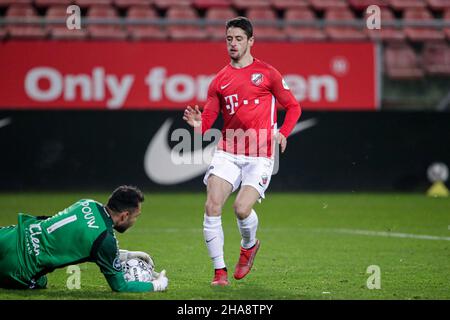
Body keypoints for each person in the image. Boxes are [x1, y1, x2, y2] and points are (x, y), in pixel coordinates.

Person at [183, 17, 301, 286]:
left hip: (260, 154)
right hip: (228, 151)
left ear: (250, 41)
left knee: (240, 208)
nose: (233, 44)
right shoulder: (219, 81)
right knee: (212, 205)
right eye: (229, 39)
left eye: (238, 39)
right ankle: (219, 272)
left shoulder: (268, 73)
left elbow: (293, 107)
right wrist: (199, 125)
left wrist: (283, 133)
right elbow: (208, 121)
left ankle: (249, 246)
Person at [0, 185, 168, 292]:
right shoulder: (104, 239)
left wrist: (128, 255)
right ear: (124, 216)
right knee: (41, 282)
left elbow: (78, 240)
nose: (135, 221)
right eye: (135, 216)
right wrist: (157, 284)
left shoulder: (87, 203)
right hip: (18, 268)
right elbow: (120, 286)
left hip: (9, 235)